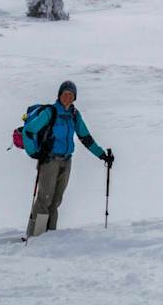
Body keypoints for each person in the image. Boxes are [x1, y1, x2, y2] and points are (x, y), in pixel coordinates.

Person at [23, 80, 114, 237]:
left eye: (71, 94)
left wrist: (102, 155)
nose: (67, 97)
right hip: (50, 160)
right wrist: (34, 153)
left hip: (66, 160)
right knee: (45, 200)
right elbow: (29, 130)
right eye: (65, 93)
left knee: (56, 200)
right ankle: (36, 236)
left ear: (75, 97)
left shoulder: (74, 114)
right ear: (59, 95)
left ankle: (50, 236)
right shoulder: (50, 113)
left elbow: (85, 137)